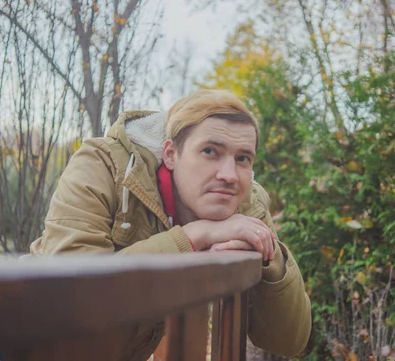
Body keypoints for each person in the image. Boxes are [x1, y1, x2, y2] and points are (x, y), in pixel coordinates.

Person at [29, 89, 312, 360]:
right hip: (13, 347)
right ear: (171, 154)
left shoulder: (245, 201)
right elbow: (74, 301)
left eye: (242, 158)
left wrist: (269, 257)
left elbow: (289, 341)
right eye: (210, 151)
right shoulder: (102, 165)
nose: (229, 175)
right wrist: (193, 236)